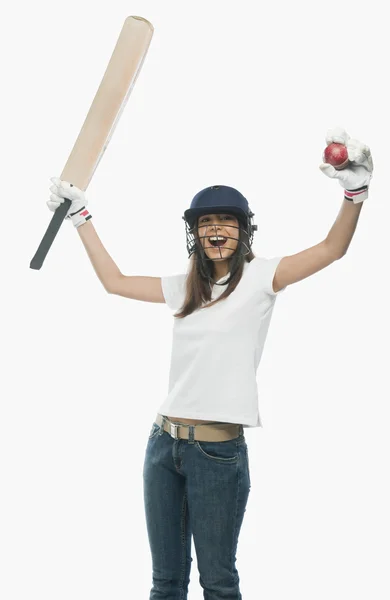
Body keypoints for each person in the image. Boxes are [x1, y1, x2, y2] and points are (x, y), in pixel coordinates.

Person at [47, 126, 373, 599]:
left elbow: (331, 249)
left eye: (226, 221)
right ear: (194, 233)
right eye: (205, 223)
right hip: (162, 447)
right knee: (165, 582)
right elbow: (114, 282)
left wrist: (353, 193)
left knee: (218, 582)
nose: (215, 229)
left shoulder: (263, 278)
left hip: (216, 455)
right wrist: (80, 216)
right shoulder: (183, 286)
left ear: (243, 230)